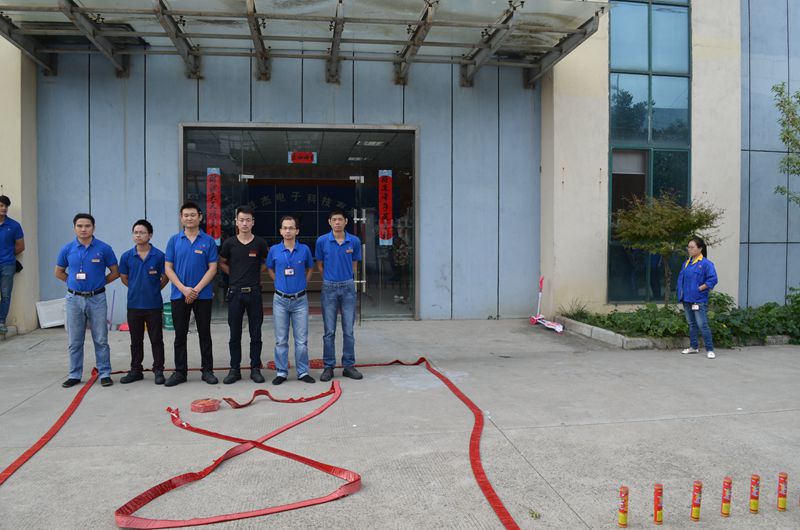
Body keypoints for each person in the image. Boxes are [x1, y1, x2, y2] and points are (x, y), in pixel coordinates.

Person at [55, 213, 119, 388]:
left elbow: (115, 272)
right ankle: (74, 374)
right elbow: (58, 272)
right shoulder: (67, 249)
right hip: (74, 299)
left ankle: (104, 373)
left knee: (101, 339)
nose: (83, 229)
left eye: (87, 226)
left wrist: (99, 283)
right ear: (74, 228)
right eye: (80, 226)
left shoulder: (104, 248)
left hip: (97, 299)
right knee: (75, 340)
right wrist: (72, 283)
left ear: (93, 228)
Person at [164, 202, 219, 386]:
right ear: (181, 218)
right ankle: (180, 372)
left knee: (205, 333)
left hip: (202, 296)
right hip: (179, 295)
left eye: (193, 215)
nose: (189, 218)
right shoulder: (174, 240)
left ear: (200, 217)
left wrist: (195, 290)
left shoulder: (208, 241)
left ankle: (207, 370)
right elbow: (168, 268)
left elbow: (213, 268)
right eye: (186, 215)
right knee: (180, 335)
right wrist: (184, 289)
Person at [219, 206, 269, 384]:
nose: (245, 223)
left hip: (254, 293)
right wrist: (233, 275)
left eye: (248, 220)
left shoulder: (260, 243)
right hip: (235, 293)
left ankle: (255, 368)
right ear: (236, 222)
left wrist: (255, 274)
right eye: (241, 220)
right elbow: (221, 262)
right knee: (235, 334)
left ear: (253, 222)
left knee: (256, 333)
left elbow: (267, 262)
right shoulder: (229, 243)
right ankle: (235, 369)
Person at [315, 208, 363, 381]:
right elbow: (319, 263)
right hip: (329, 287)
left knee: (348, 330)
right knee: (329, 331)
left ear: (345, 221)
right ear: (329, 222)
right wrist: (328, 278)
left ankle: (348, 365)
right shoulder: (322, 241)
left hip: (348, 287)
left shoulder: (354, 241)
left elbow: (355, 263)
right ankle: (328, 366)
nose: (337, 222)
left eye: (340, 219)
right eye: (334, 219)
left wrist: (348, 278)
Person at [118, 219, 168, 384]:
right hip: (134, 305)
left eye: (142, 232)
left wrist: (154, 289)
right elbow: (124, 277)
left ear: (150, 235)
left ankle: (158, 370)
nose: (138, 235)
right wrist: (135, 288)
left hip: (153, 305)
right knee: (136, 341)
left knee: (156, 340)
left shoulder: (159, 256)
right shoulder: (126, 256)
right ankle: (136, 370)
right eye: (136, 232)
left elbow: (165, 276)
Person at [267, 215, 315, 385]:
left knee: (301, 340)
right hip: (280, 300)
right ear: (280, 231)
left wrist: (304, 283)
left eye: (291, 228)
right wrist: (278, 281)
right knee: (281, 339)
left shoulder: (305, 250)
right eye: (285, 228)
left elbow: (310, 268)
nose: (288, 231)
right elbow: (269, 268)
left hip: (300, 301)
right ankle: (281, 371)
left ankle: (303, 372)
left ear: (297, 231)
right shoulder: (274, 250)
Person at [676, 236, 718, 359]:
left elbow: (713, 279)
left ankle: (710, 349)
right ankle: (693, 347)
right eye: (688, 247)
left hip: (698, 299)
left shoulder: (706, 264)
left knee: (702, 324)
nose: (689, 249)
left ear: (700, 249)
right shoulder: (687, 263)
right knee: (691, 324)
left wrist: (700, 288)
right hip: (687, 299)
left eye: (692, 247)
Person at [0, 195, 24, 335]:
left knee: (5, 294)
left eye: (6, 206)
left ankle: (1, 322)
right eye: (1, 205)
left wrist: (8, 254)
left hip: (7, 264)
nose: (4, 208)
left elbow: (20, 246)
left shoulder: (14, 225)